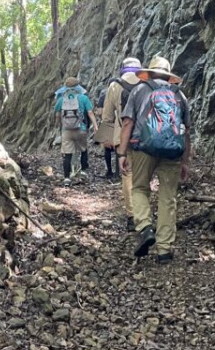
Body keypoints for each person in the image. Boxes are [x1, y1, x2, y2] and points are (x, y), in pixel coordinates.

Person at [118, 57, 192, 263]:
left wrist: (122, 153)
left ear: (149, 73)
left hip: (143, 149)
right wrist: (185, 160)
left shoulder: (139, 90)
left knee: (140, 188)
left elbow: (127, 124)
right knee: (168, 197)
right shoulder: (179, 95)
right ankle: (164, 250)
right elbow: (186, 132)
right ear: (168, 75)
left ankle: (144, 227)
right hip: (173, 152)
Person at [97, 57, 144, 223]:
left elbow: (107, 116)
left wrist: (104, 139)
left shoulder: (114, 85)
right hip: (145, 137)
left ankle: (132, 216)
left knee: (127, 176)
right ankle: (145, 215)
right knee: (143, 176)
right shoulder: (146, 82)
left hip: (122, 137)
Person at [53, 75, 96, 183]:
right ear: (78, 87)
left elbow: (57, 115)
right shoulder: (83, 98)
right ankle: (83, 171)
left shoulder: (61, 99)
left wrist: (58, 125)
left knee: (67, 154)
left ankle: (67, 178)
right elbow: (90, 113)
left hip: (66, 130)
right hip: (81, 129)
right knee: (83, 149)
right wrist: (95, 125)